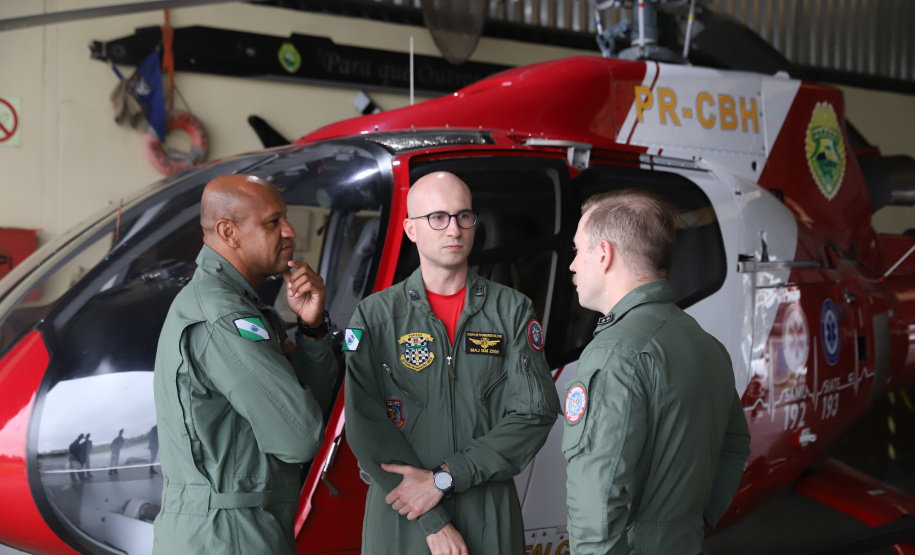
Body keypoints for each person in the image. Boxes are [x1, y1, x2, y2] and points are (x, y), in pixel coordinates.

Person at [345, 171, 561, 555]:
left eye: (464, 216)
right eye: (438, 218)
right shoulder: (376, 317)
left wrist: (445, 478)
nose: (454, 230)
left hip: (487, 512)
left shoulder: (510, 311)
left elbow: (535, 413)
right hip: (403, 516)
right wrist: (431, 518)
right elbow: (365, 425)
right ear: (411, 229)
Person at [152, 174, 339, 555]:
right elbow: (301, 438)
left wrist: (312, 330)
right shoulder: (222, 316)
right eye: (273, 222)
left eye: (285, 218)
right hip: (229, 535)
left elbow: (306, 412)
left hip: (243, 526)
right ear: (229, 232)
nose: (290, 232)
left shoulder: (242, 307)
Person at [563, 189, 752, 554]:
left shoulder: (614, 353)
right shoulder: (707, 346)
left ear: (603, 254)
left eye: (577, 250)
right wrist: (693, 527)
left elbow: (599, 495)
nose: (572, 265)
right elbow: (734, 448)